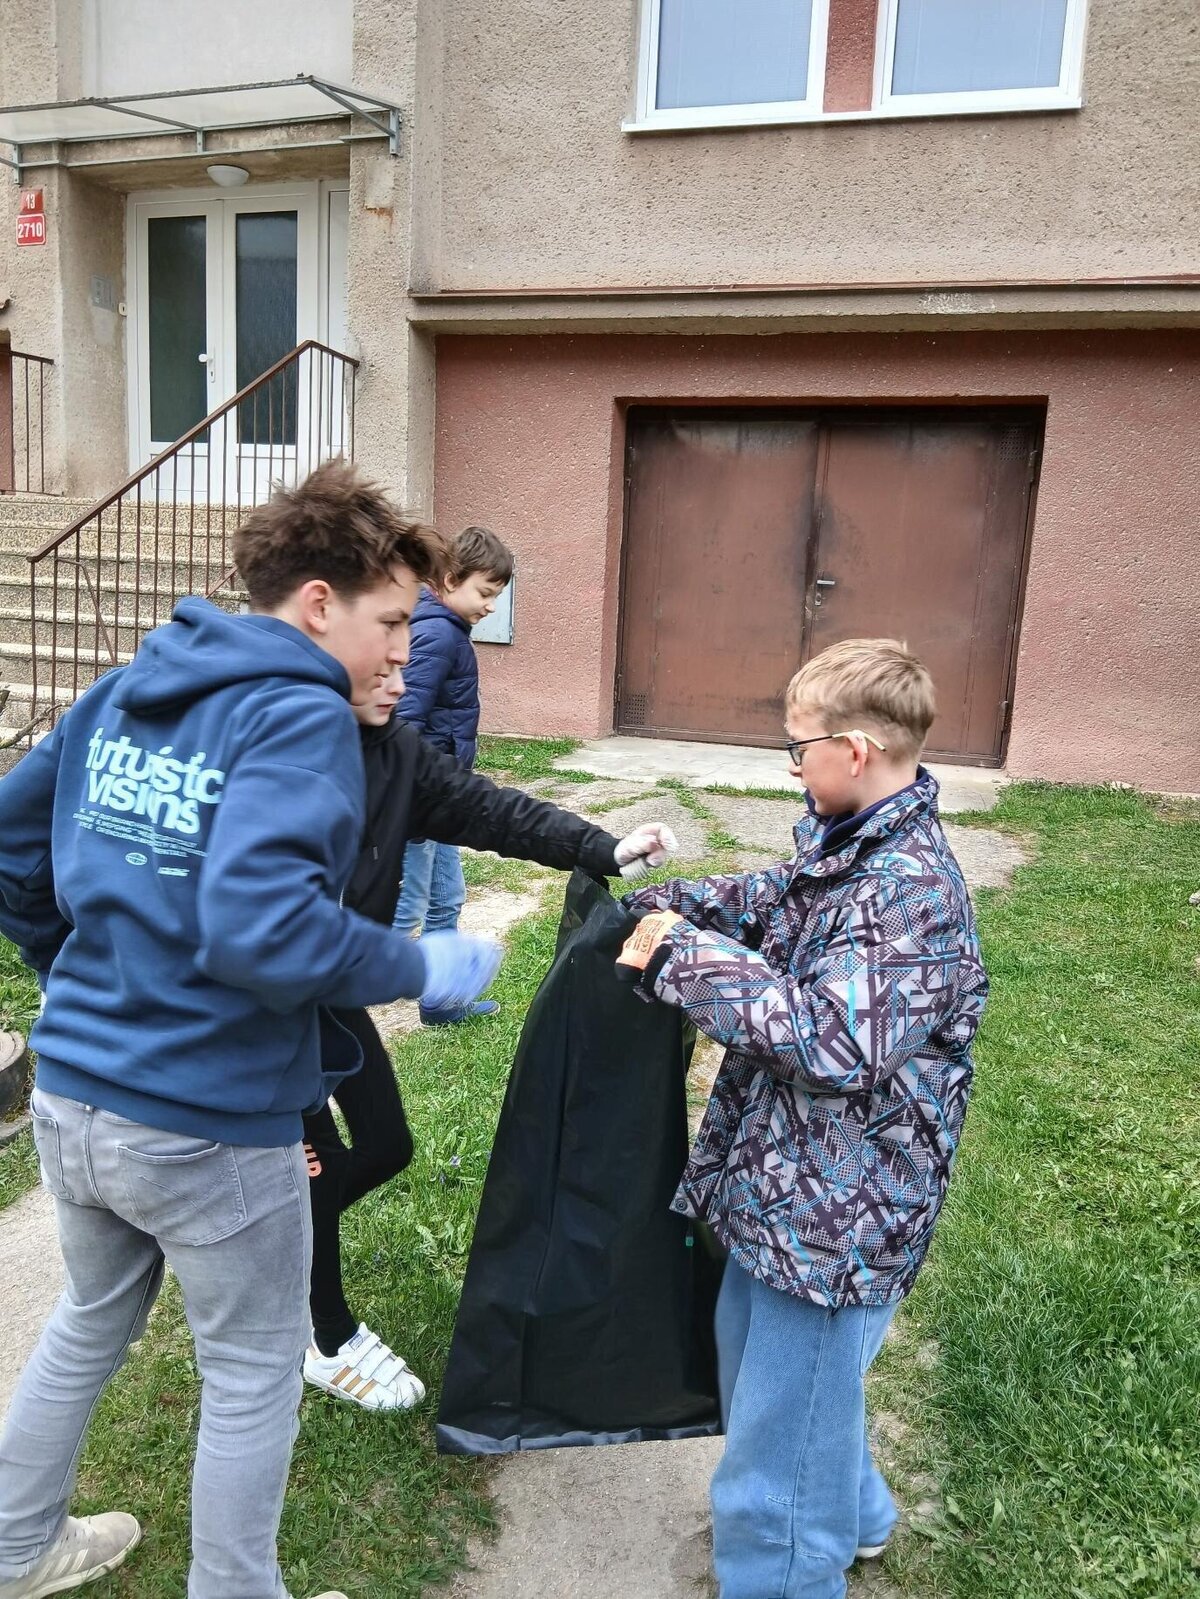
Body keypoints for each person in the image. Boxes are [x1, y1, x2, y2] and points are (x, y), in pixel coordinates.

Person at [0, 462, 501, 1599]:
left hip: (75, 1091)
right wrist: (424, 960)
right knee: (253, 1368)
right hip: (209, 1119)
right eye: (391, 622)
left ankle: (17, 1547)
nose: (404, 648)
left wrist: (79, 977)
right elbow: (266, 933)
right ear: (318, 604)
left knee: (89, 1320)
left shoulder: (127, 686)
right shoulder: (298, 713)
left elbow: (12, 848)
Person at [618, 638, 989, 1599]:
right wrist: (680, 906)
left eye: (798, 747)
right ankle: (859, 1517)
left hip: (841, 1221)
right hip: (789, 1189)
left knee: (775, 1452)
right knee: (777, 1383)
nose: (791, 766)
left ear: (854, 750)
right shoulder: (848, 846)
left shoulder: (912, 893)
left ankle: (785, 1572)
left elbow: (835, 1042)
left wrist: (685, 960)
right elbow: (779, 901)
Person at [302, 663, 679, 1408]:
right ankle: (324, 1332)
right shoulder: (278, 742)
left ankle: (269, 1246)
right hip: (271, 1011)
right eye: (387, 631)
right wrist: (412, 965)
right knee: (317, 1167)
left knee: (385, 1146)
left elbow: (488, 810)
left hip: (330, 995)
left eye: (406, 641)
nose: (401, 668)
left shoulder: (391, 749)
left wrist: (602, 847)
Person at [392, 525, 513, 1024]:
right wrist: (416, 799)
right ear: (449, 580)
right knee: (400, 913)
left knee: (446, 897)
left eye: (496, 595)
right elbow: (404, 723)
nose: (491, 606)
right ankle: (331, 1009)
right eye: (484, 593)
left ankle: (441, 1003)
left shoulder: (446, 629)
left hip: (437, 798)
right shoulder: (438, 634)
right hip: (419, 801)